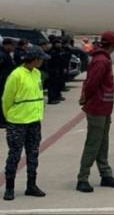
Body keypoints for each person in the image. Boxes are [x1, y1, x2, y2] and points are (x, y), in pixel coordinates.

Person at [76, 31, 114, 193]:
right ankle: (83, 178)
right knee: (93, 143)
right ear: (112, 44)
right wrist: (86, 98)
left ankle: (105, 174)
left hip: (103, 107)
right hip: (97, 107)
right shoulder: (101, 61)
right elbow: (91, 84)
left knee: (103, 143)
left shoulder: (102, 58)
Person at [2, 46, 49, 201]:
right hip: (17, 122)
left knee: (33, 154)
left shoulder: (37, 73)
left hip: (34, 121)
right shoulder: (16, 75)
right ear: (34, 59)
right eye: (41, 59)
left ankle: (31, 185)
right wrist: (10, 116)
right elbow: (6, 99)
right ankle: (9, 188)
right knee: (14, 155)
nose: (42, 62)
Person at [0, 38, 16, 128]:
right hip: (2, 82)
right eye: (12, 45)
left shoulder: (6, 54)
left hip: (6, 81)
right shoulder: (2, 55)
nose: (13, 47)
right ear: (6, 45)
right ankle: (1, 121)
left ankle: (4, 119)